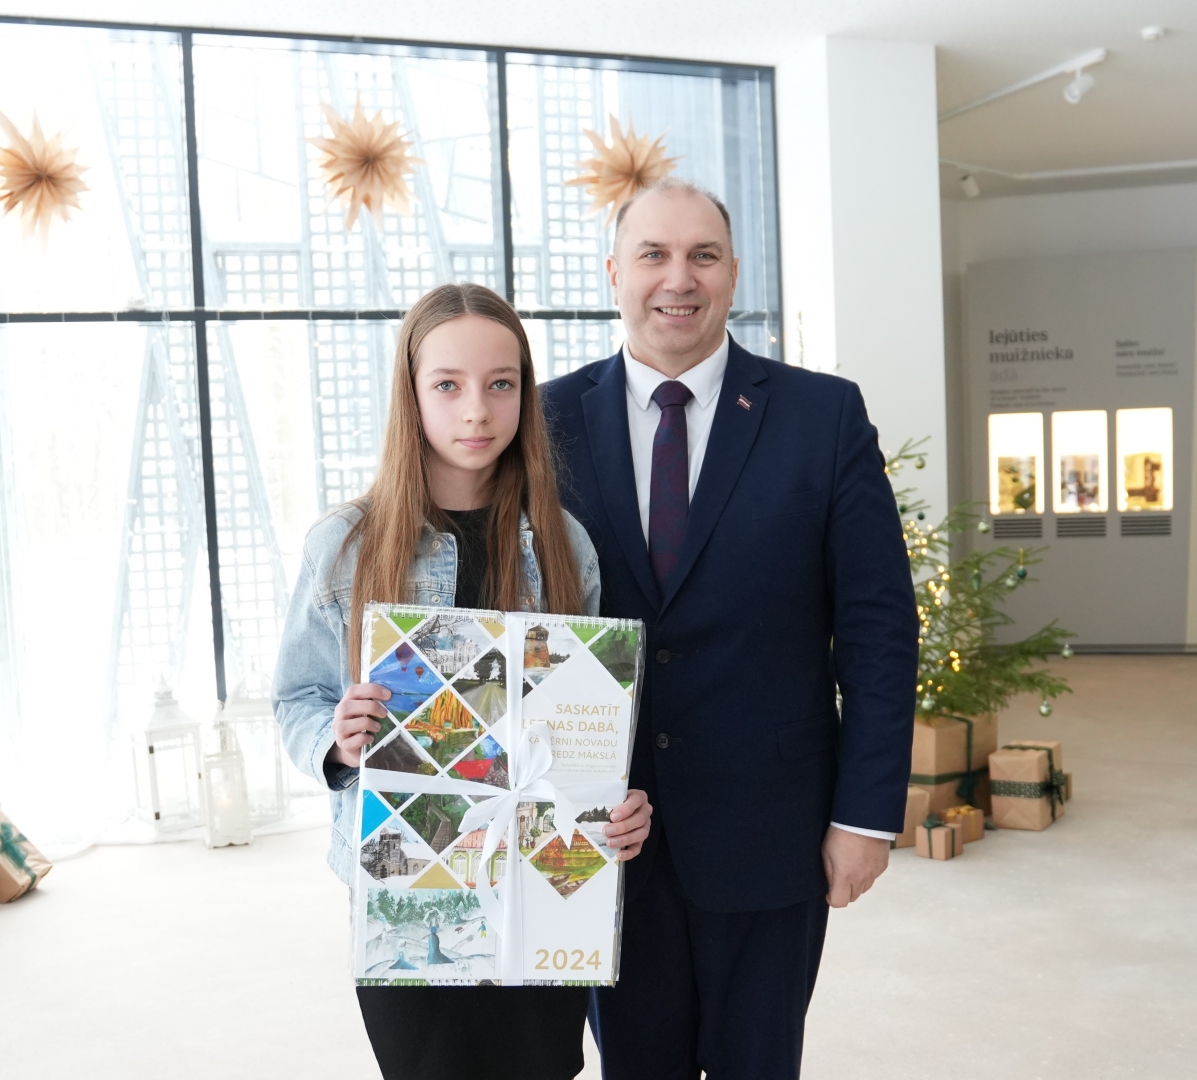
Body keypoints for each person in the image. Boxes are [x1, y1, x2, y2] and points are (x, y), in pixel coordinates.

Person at [540, 178, 919, 1079]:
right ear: (613, 274)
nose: (679, 278)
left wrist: (865, 816)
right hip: (602, 831)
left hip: (772, 828)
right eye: (654, 255)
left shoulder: (822, 415)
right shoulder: (543, 420)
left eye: (702, 255)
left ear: (733, 273)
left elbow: (876, 628)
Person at [272, 282, 653, 1080]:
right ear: (410, 396)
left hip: (540, 881)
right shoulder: (344, 546)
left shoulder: (565, 544)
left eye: (500, 383)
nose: (476, 410)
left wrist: (616, 807)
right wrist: (338, 742)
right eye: (447, 384)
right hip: (405, 883)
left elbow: (591, 721)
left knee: (543, 1067)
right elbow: (296, 699)